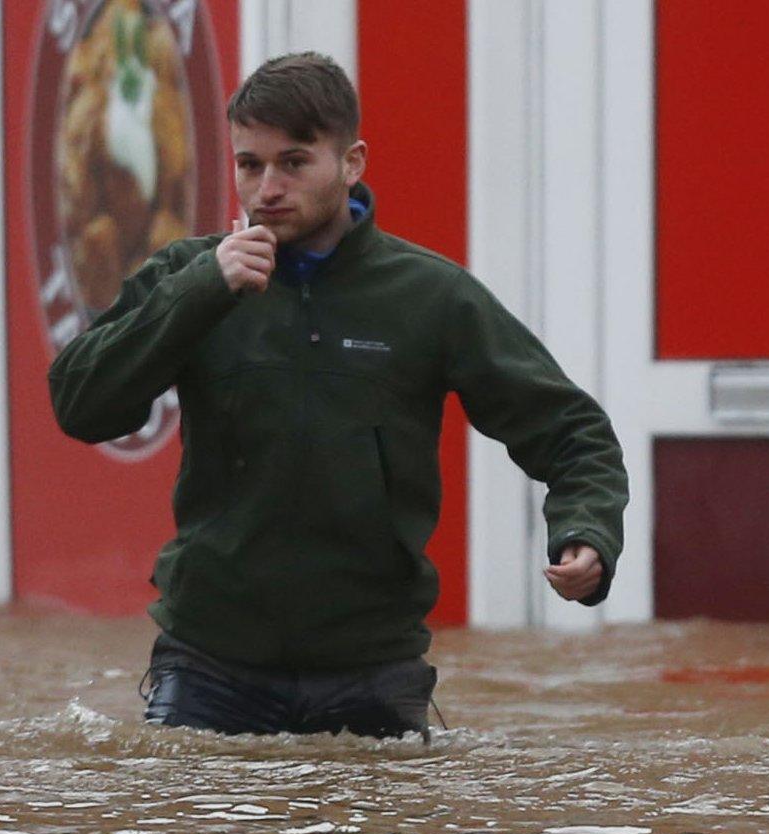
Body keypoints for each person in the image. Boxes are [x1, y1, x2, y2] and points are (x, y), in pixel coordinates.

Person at [47, 52, 628, 741]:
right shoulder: (190, 278)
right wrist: (202, 291)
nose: (266, 188)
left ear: (350, 163)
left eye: (293, 163)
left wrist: (586, 532)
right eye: (249, 164)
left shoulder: (430, 296)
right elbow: (81, 403)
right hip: (209, 667)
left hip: (372, 668)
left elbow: (570, 431)